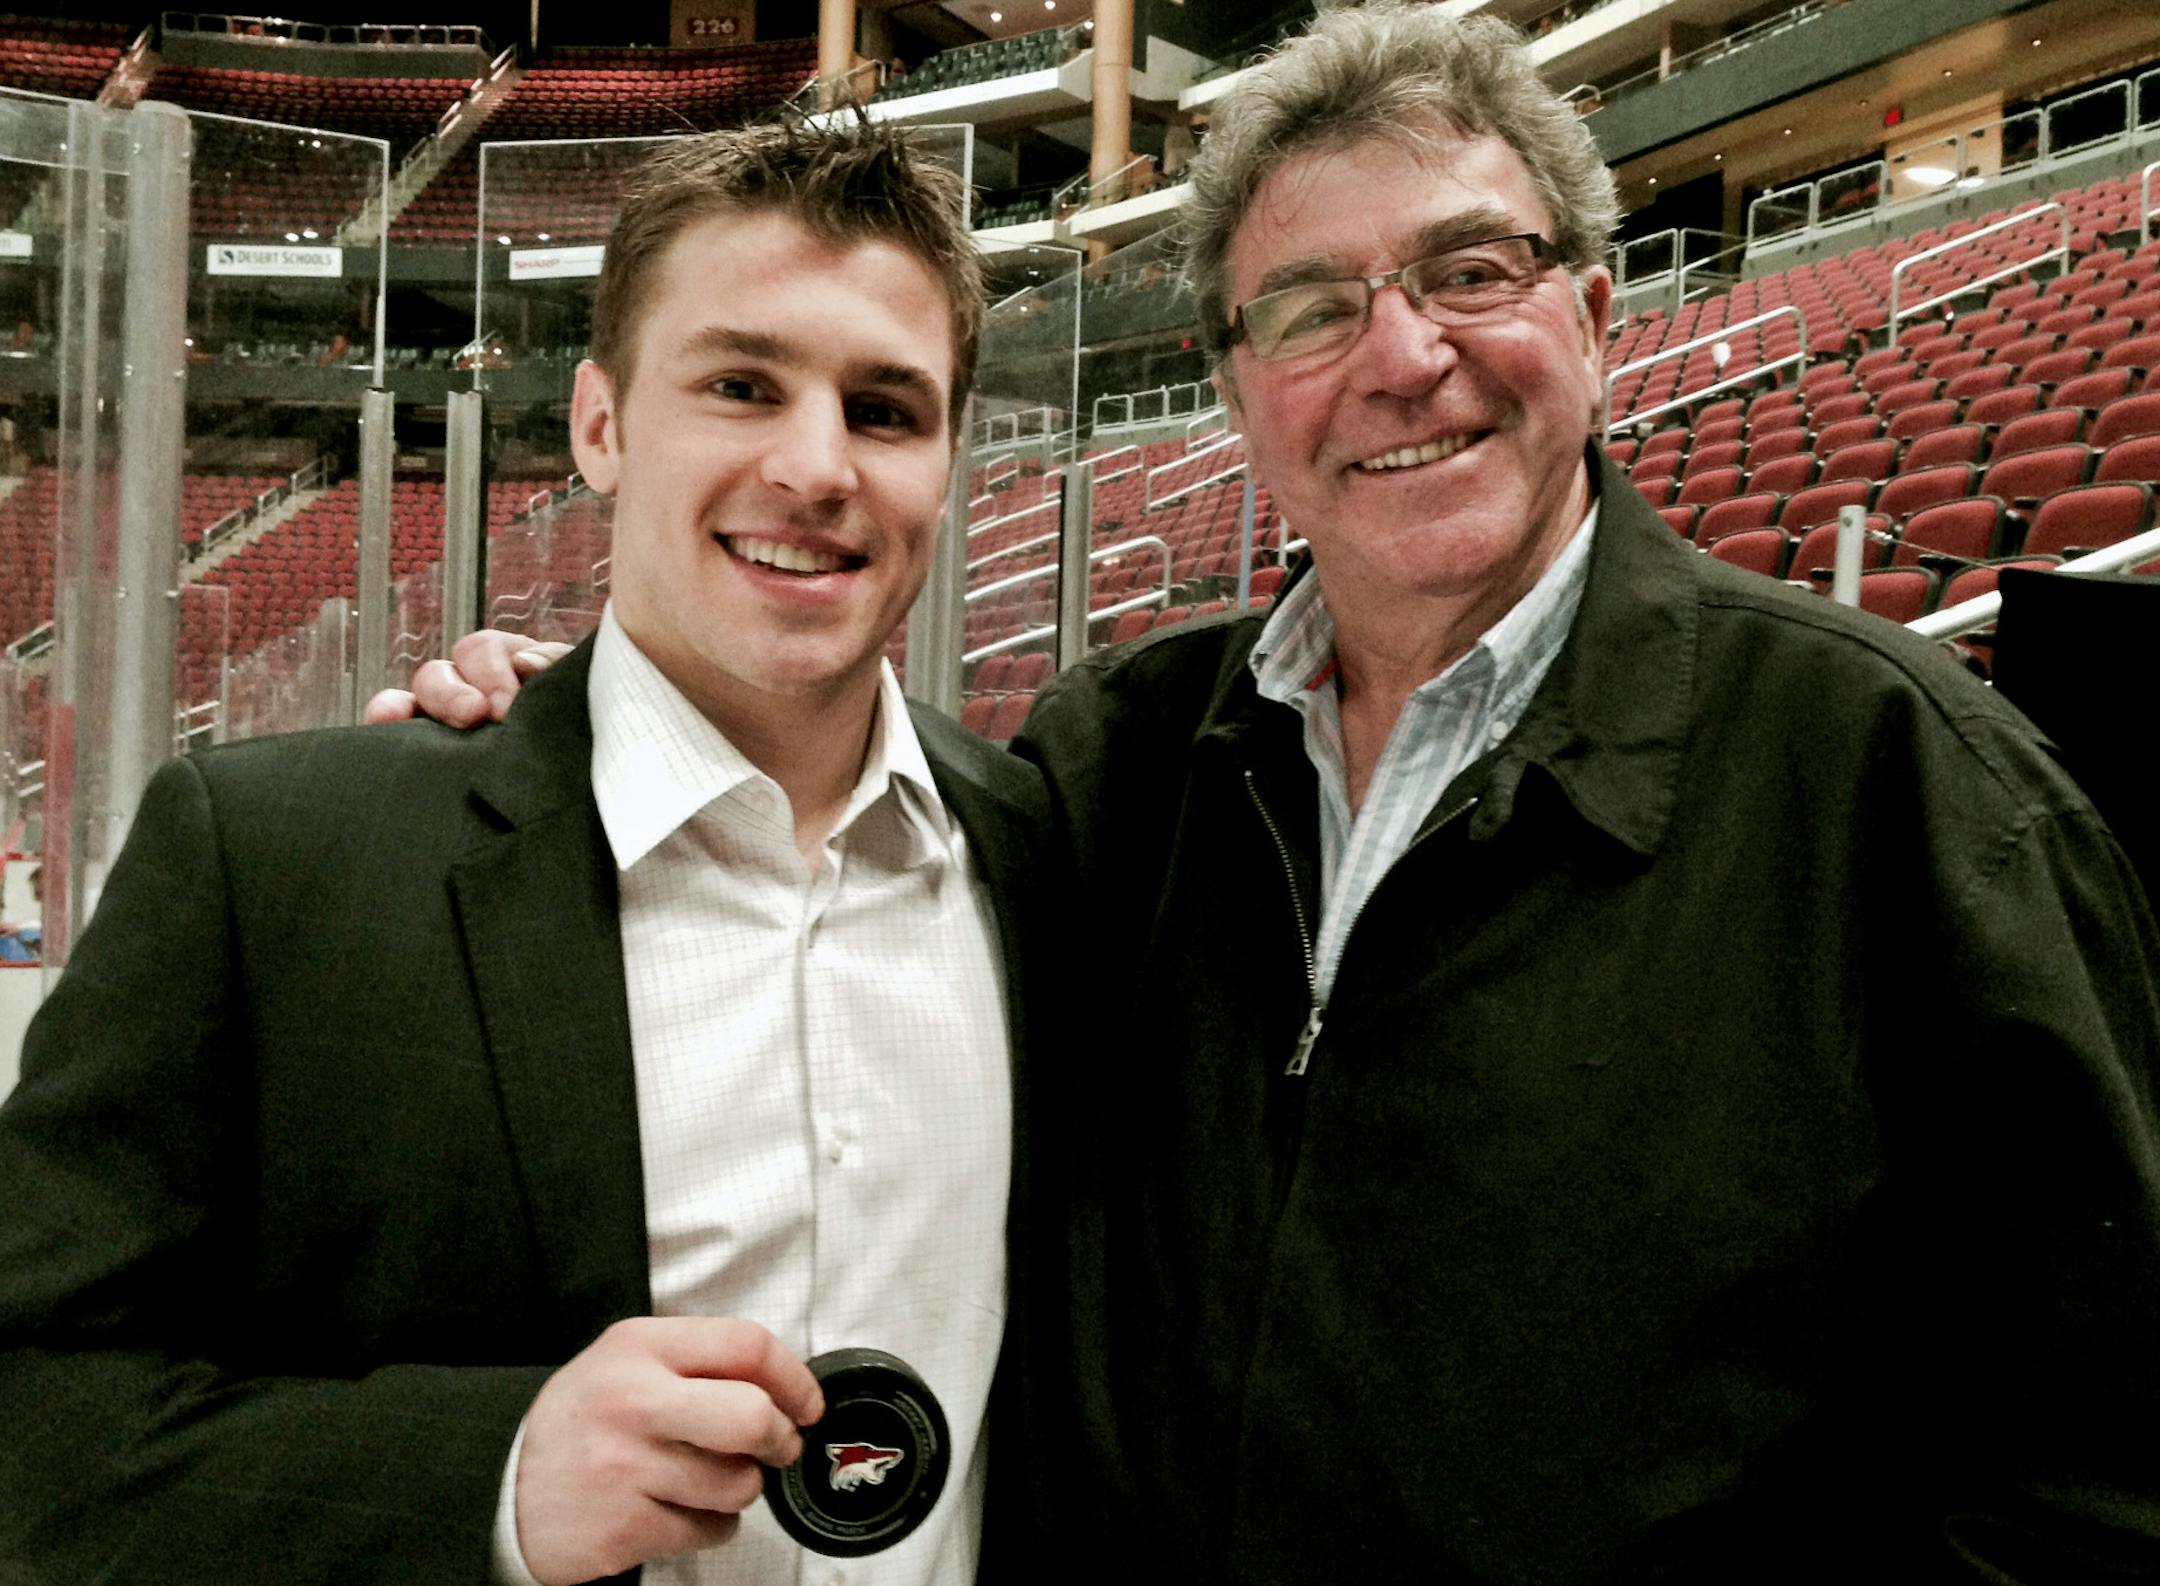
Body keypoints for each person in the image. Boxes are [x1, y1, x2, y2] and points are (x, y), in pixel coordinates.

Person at [388, 6, 2160, 1580]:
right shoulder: (1118, 762)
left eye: (1473, 271)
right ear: (1240, 390)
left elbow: (2088, 1476)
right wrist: (602, 718)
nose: (1403, 356)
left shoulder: (1905, 783)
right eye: (1315, 307)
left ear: (1597, 318)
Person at [0, 118, 1045, 1586]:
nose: (817, 467)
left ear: (949, 456)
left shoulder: (1042, 850)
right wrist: (488, 1478)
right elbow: (34, 1416)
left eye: (886, 408)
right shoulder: (273, 859)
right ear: (601, 425)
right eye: (741, 385)